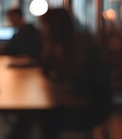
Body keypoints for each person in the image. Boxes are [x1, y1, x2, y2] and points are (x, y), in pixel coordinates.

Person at [39, 8, 111, 139]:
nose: (42, 29)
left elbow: (83, 87)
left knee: (45, 118)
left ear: (53, 26)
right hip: (79, 100)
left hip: (89, 106)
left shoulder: (80, 47)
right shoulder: (60, 45)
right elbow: (46, 72)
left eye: (44, 25)